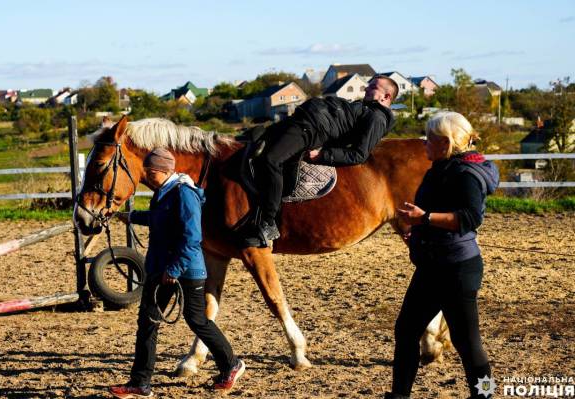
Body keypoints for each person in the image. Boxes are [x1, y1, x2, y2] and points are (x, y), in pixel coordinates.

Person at [108, 149, 244, 398]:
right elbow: (161, 219)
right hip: (162, 267)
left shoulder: (184, 194)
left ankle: (231, 364)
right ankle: (140, 382)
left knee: (197, 320)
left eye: (151, 172)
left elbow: (192, 237)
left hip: (184, 269)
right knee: (148, 322)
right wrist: (130, 217)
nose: (148, 177)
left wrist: (174, 268)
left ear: (164, 170)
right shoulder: (164, 192)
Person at [385, 112, 499, 399]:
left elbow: (471, 217)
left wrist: (425, 219)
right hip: (432, 265)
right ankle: (400, 396)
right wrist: (421, 231)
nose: (424, 142)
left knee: (467, 343)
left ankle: (485, 395)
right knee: (406, 330)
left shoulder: (465, 174)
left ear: (446, 143)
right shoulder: (440, 167)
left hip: (457, 269)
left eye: (430, 138)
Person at [244, 75, 399, 246]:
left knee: (271, 160)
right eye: (368, 85)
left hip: (312, 128)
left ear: (386, 97)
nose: (366, 88)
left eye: (373, 87)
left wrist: (323, 154)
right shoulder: (364, 108)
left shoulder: (377, 118)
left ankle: (268, 223)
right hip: (302, 119)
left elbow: (359, 154)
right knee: (252, 138)